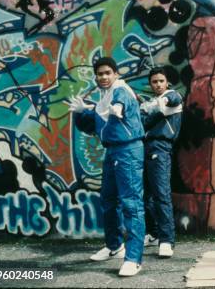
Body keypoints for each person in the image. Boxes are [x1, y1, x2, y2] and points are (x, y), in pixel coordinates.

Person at [66, 57, 145, 277]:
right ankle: (115, 247)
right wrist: (84, 111)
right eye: (99, 74)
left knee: (131, 203)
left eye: (108, 73)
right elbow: (98, 117)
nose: (103, 77)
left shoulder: (121, 90)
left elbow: (121, 103)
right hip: (112, 151)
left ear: (116, 74)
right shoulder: (104, 96)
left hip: (128, 150)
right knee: (109, 200)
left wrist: (117, 108)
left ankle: (133, 258)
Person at [140, 67, 182, 258]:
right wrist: (148, 108)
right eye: (154, 82)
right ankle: (153, 234)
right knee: (147, 196)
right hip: (145, 149)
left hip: (161, 149)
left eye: (160, 81)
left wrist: (162, 101)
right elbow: (144, 120)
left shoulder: (172, 96)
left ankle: (167, 240)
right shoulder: (152, 103)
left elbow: (174, 97)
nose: (157, 84)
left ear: (167, 83)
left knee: (161, 195)